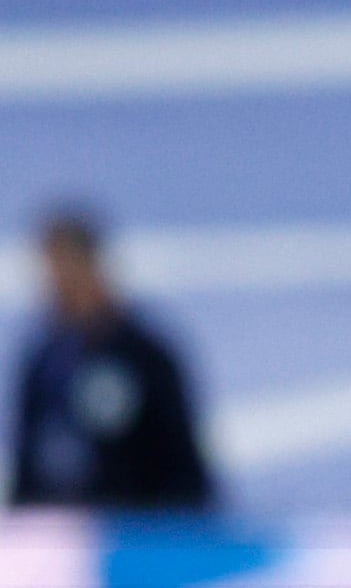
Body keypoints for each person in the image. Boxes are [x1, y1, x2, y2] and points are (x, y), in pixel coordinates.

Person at [8, 206, 215, 513]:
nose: (53, 284)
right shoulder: (42, 360)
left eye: (63, 269)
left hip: (133, 535)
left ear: (91, 265)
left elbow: (185, 471)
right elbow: (27, 463)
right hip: (54, 537)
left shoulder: (146, 357)